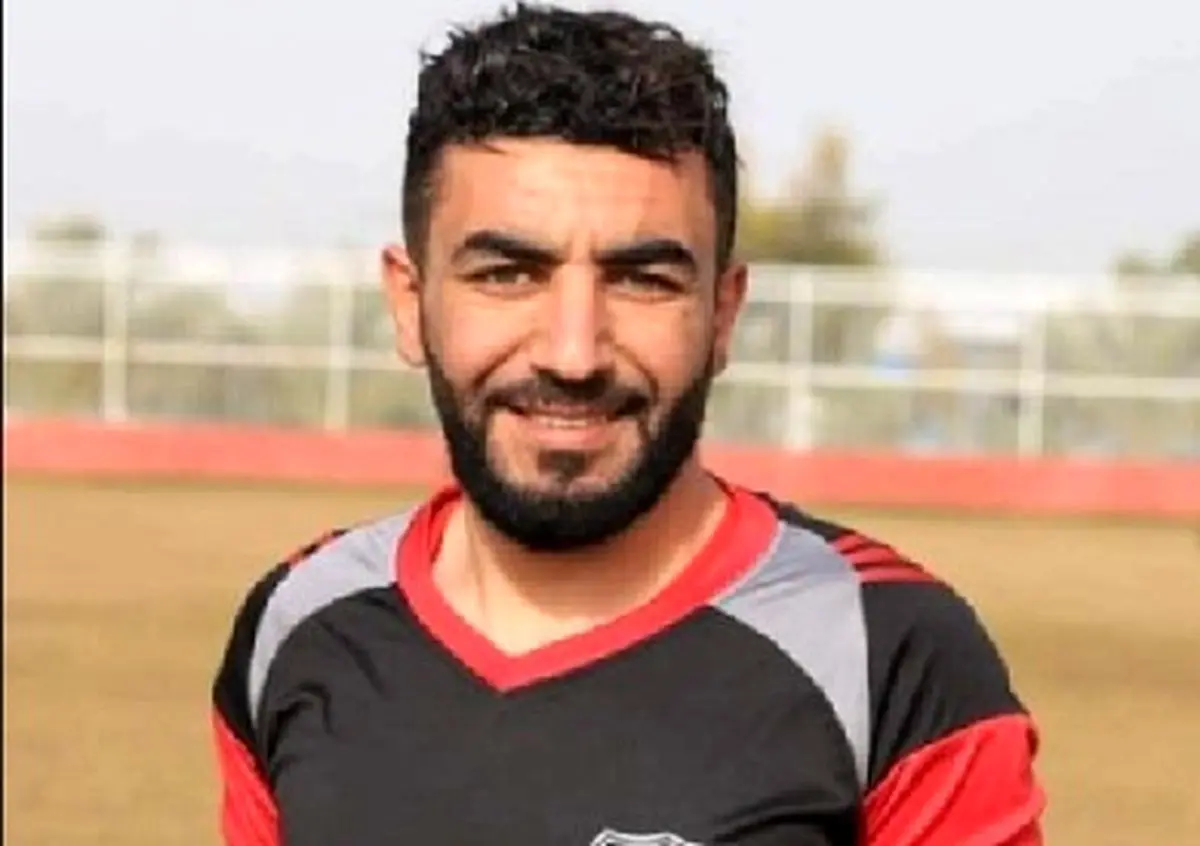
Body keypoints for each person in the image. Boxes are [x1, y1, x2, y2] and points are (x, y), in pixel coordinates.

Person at [210, 4, 1046, 844]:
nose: (574, 354)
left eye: (644, 280)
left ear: (723, 314)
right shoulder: (300, 622)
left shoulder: (888, 652)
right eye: (507, 274)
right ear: (409, 301)